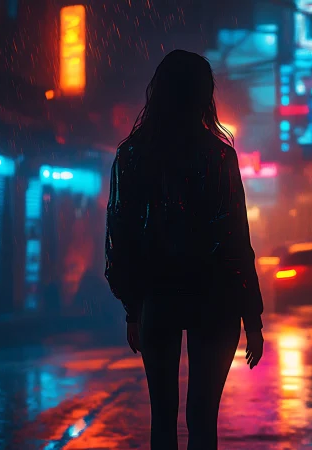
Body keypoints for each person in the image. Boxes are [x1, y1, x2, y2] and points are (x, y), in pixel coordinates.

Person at [104, 50, 265, 450]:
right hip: (217, 298)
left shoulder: (133, 156)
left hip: (159, 297)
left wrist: (133, 307)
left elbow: (120, 235)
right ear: (203, 95)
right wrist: (252, 316)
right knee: (202, 420)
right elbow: (236, 240)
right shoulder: (219, 156)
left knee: (163, 419)